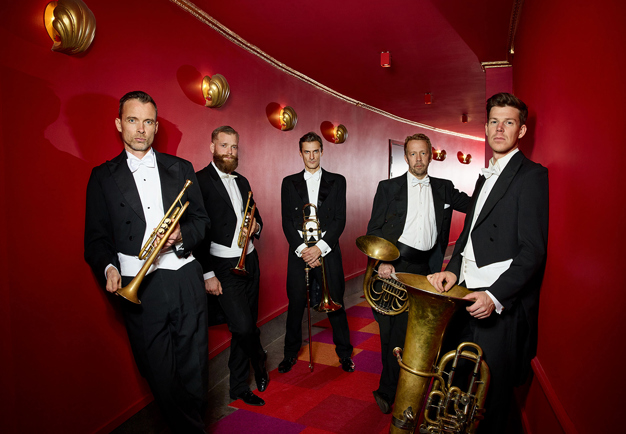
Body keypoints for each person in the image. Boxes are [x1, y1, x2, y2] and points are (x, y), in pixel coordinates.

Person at [84, 91, 209, 433]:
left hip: (184, 276)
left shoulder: (180, 168)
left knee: (195, 365)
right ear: (118, 124)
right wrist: (109, 269)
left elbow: (201, 221)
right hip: (138, 285)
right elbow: (95, 240)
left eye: (148, 121)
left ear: (156, 127)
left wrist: (183, 233)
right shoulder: (102, 176)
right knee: (157, 371)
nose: (140, 129)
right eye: (132, 119)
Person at [428, 92, 549, 434]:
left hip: (497, 304)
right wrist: (452, 271)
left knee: (488, 400)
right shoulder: (484, 176)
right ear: (485, 127)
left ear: (521, 130)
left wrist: (494, 297)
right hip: (465, 294)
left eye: (508, 122)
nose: (500, 129)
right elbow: (466, 234)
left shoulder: (532, 176)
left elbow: (533, 252)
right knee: (456, 381)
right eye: (494, 121)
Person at [366, 133, 470, 414]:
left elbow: (476, 207)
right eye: (413, 154)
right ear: (406, 156)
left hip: (427, 269)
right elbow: (373, 229)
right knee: (390, 332)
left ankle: (408, 387)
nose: (418, 159)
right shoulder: (388, 188)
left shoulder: (444, 187)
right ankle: (389, 390)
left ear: (431, 154)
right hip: (394, 267)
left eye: (423, 153)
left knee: (419, 332)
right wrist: (382, 262)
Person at [193, 126, 269, 407]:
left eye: (234, 147)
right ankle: (259, 358)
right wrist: (208, 274)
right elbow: (196, 230)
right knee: (244, 326)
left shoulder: (243, 181)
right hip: (223, 265)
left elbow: (255, 214)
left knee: (243, 327)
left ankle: (239, 387)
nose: (230, 152)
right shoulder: (200, 181)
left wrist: (256, 225)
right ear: (212, 147)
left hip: (250, 259)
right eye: (224, 146)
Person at [279, 131, 354, 373]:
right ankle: (290, 354)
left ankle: (344, 354)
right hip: (299, 252)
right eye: (306, 151)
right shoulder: (288, 182)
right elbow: (287, 222)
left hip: (327, 251)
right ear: (300, 153)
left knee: (336, 302)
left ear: (322, 151)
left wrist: (319, 249)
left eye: (315, 151)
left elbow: (339, 220)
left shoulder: (338, 180)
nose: (311, 156)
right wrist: (303, 250)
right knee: (295, 303)